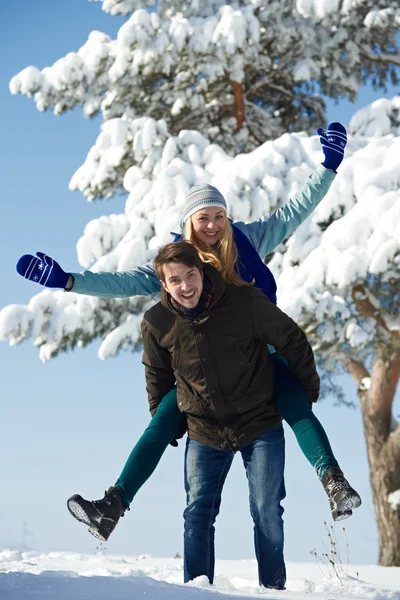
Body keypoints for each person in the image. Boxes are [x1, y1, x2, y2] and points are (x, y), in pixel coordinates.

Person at [16, 122, 361, 542]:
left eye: (219, 216)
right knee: (163, 419)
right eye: (204, 218)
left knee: (295, 402)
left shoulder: (249, 240)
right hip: (203, 370)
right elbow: (125, 282)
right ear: (189, 222)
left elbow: (295, 211)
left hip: (260, 357)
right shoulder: (176, 264)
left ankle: (335, 483)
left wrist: (328, 167)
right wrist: (70, 281)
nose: (213, 226)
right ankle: (112, 506)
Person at [147, 240, 322, 588]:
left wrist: (307, 389)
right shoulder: (157, 321)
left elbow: (291, 337)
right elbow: (157, 374)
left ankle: (273, 589)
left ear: (202, 271)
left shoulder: (243, 301)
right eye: (175, 280)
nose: (186, 286)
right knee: (197, 514)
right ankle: (196, 592)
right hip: (204, 430)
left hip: (259, 421)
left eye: (191, 275)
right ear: (164, 285)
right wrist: (164, 418)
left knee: (267, 511)